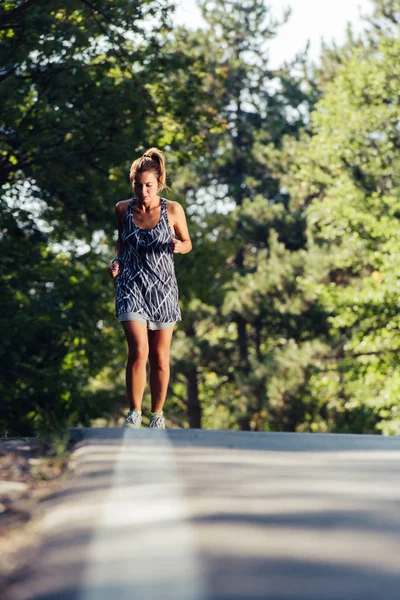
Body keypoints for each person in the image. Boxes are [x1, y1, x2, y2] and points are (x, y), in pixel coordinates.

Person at [108, 148, 192, 429]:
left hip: (163, 288)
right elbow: (122, 241)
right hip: (131, 285)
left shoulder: (173, 210)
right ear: (131, 182)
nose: (143, 190)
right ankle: (134, 413)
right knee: (138, 350)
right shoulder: (123, 209)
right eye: (138, 184)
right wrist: (117, 260)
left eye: (149, 185)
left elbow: (188, 242)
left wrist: (181, 246)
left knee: (160, 358)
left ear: (159, 183)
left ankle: (156, 415)